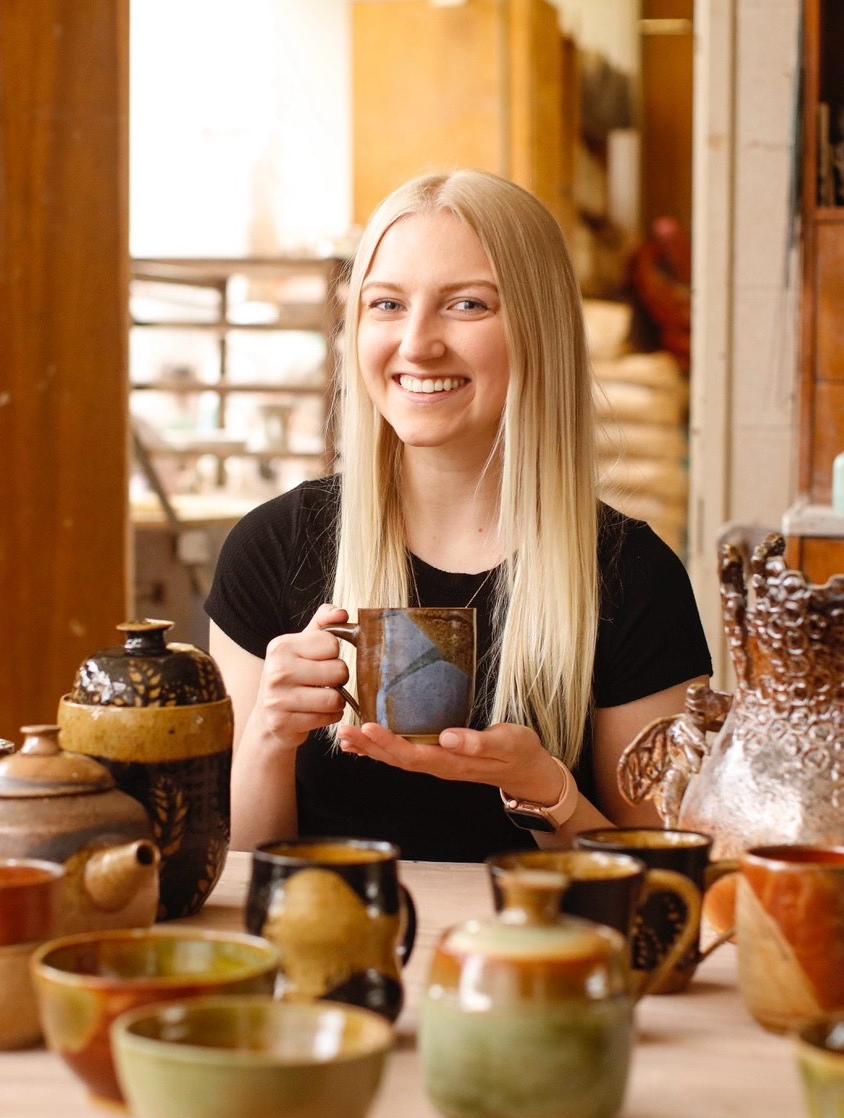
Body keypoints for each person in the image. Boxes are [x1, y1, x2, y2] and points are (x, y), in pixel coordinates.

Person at [205, 169, 712, 862]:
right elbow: (237, 880)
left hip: (544, 961)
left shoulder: (634, 577)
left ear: (541, 328)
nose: (416, 343)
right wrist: (267, 732)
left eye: (467, 305)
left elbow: (663, 890)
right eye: (385, 305)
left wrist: (547, 790)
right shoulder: (270, 548)